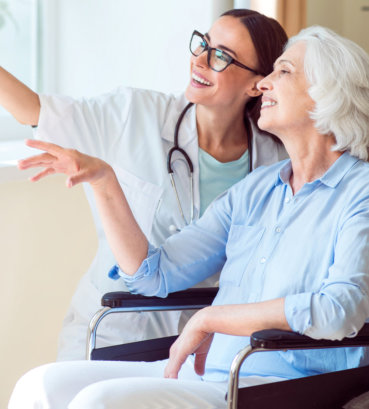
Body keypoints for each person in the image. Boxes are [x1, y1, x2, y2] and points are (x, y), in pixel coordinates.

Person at [9, 25, 369, 409]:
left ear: (328, 94)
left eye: (284, 72)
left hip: (273, 382)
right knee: (40, 385)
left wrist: (211, 319)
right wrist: (104, 180)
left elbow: (340, 309)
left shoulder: (359, 191)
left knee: (98, 402)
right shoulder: (257, 189)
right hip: (205, 371)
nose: (265, 84)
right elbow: (154, 274)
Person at [0, 9, 288, 360]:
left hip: (202, 346)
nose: (199, 59)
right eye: (203, 44)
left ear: (256, 84)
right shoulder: (135, 113)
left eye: (221, 56)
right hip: (112, 330)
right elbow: (35, 111)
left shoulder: (276, 162)